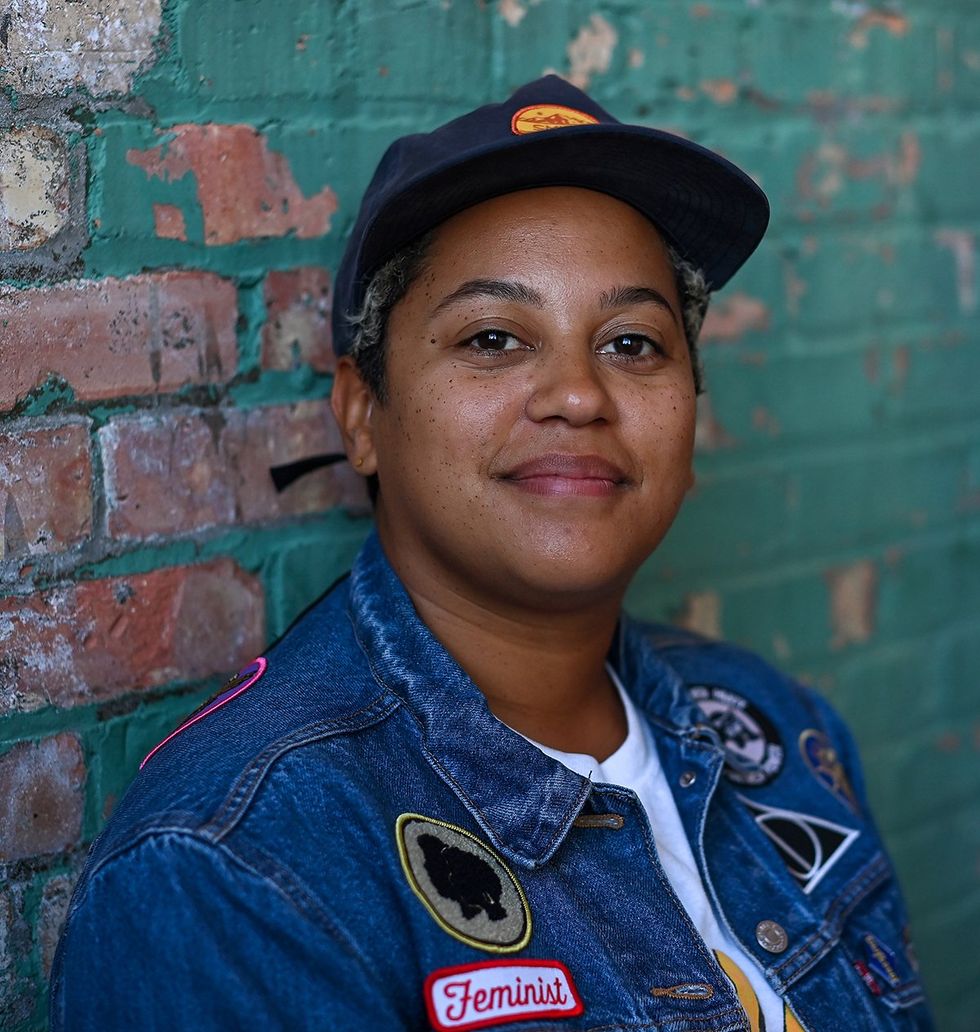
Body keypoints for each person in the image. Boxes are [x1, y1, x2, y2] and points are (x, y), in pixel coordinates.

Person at [50, 77, 932, 1031]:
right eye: (496, 336)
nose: (578, 395)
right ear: (362, 415)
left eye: (633, 343)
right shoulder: (237, 866)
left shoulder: (776, 730)